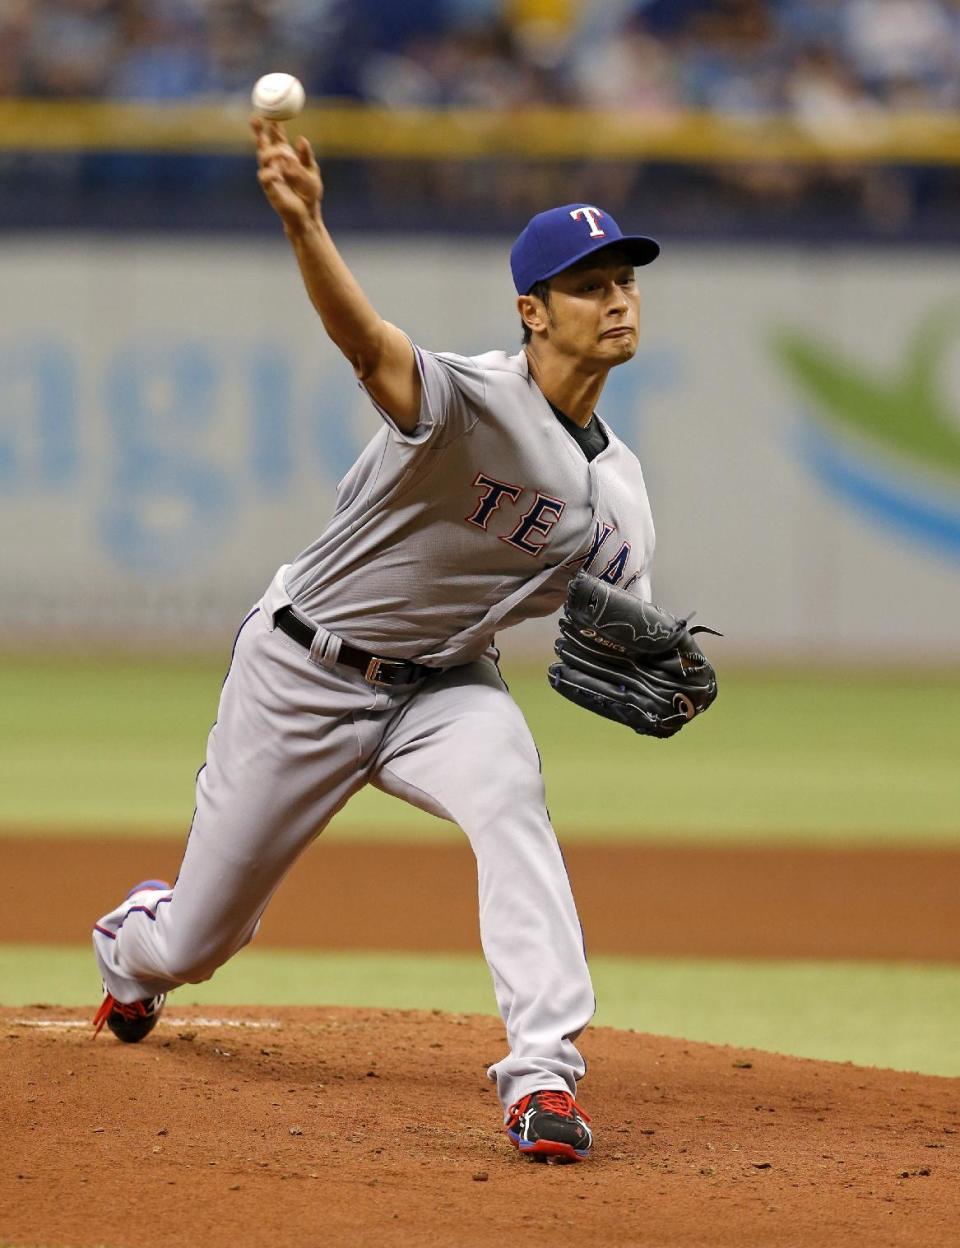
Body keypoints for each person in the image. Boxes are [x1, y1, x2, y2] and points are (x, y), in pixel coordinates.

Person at [90, 117, 662, 1165]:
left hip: (445, 690)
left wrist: (649, 657)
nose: (617, 296)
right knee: (197, 942)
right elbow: (366, 344)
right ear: (533, 313)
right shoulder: (471, 403)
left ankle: (543, 1075)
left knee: (510, 796)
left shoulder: (621, 495)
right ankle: (133, 949)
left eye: (624, 276)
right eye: (589, 283)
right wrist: (307, 223)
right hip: (303, 670)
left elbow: (623, 629)